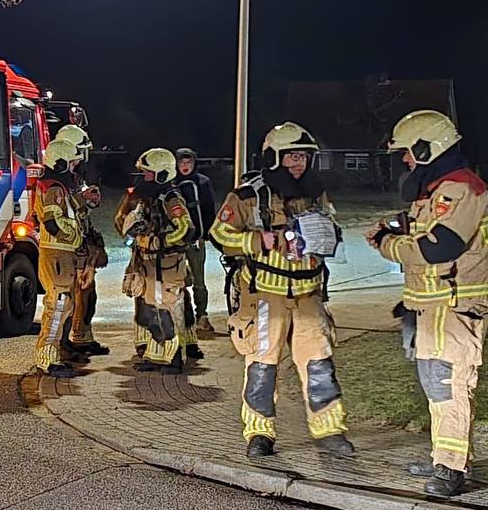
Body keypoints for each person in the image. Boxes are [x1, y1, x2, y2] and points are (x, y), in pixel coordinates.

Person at [367, 110, 488, 497]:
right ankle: (445, 457)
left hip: (456, 308)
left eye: (408, 152)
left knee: (449, 385)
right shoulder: (440, 190)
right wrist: (397, 227)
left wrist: (386, 245)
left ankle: (451, 470)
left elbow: (440, 247)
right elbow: (425, 231)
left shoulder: (462, 188)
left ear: (427, 148)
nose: (405, 161)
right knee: (435, 383)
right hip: (435, 306)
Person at [210, 122, 354, 459]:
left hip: (308, 296)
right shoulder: (248, 195)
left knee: (319, 367)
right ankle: (259, 433)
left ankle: (330, 430)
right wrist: (258, 239)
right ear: (275, 157)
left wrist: (327, 237)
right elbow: (219, 234)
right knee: (262, 370)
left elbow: (330, 228)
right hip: (265, 299)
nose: (299, 163)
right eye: (291, 156)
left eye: (303, 156)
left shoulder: (316, 192)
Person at [116, 148, 203, 373]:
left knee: (169, 309)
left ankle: (174, 356)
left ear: (161, 174)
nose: (143, 177)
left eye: (147, 173)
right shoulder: (148, 197)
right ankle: (157, 355)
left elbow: (185, 228)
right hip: (149, 264)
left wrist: (161, 241)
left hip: (167, 264)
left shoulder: (171, 198)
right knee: (154, 309)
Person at [54, 125, 110, 359]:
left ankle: (81, 339)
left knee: (87, 296)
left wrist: (90, 196)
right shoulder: (58, 180)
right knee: (71, 299)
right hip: (69, 247)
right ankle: (64, 345)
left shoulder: (73, 178)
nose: (82, 158)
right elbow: (63, 209)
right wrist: (81, 198)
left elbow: (80, 204)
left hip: (81, 242)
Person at [31, 138, 86, 378]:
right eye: (72, 162)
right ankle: (47, 359)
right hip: (57, 252)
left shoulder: (55, 186)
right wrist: (75, 235)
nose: (75, 166)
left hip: (60, 253)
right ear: (62, 162)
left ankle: (51, 356)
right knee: (58, 306)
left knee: (63, 306)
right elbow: (53, 223)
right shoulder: (53, 187)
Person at [175, 147, 217, 338]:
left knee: (199, 280)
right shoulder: (171, 182)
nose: (185, 166)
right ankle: (181, 315)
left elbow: (209, 208)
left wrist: (207, 232)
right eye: (182, 163)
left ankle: (202, 314)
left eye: (189, 163)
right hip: (175, 241)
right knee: (176, 280)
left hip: (196, 238)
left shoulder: (202, 182)